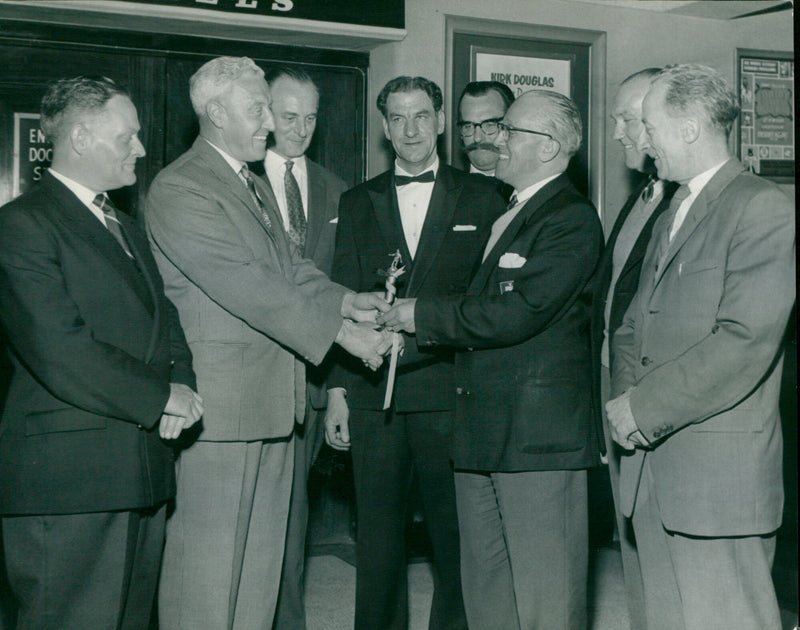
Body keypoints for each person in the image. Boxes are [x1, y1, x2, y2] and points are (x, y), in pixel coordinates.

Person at [145, 56, 391, 629]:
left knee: (259, 575)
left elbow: (291, 268)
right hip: (221, 410)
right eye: (258, 109)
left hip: (273, 403)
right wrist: (342, 335)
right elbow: (251, 286)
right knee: (205, 580)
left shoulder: (248, 181)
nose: (270, 124)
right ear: (214, 113)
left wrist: (346, 300)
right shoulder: (182, 185)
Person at [379, 89, 604, 630]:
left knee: (545, 598)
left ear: (548, 146)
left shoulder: (570, 219)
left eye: (510, 131)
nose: (494, 141)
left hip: (536, 442)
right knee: (487, 593)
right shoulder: (512, 210)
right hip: (481, 433)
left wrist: (418, 316)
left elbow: (517, 312)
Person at [0, 76, 203, 629]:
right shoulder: (21, 225)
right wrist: (162, 397)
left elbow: (167, 320)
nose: (140, 149)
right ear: (83, 138)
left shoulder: (126, 226)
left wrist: (181, 385)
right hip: (67, 483)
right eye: (127, 136)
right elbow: (60, 350)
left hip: (139, 468)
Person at [607, 63, 795, 630]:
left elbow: (743, 342)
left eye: (650, 125)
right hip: (653, 468)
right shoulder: (672, 208)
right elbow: (631, 327)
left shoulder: (761, 206)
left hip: (718, 480)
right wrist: (623, 409)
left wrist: (641, 409)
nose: (642, 141)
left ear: (688, 127)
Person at [325, 75, 505, 630]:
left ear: (441, 120)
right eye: (398, 118)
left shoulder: (485, 196)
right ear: (384, 127)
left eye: (421, 115)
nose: (410, 129)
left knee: (456, 537)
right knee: (376, 537)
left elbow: (488, 303)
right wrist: (336, 392)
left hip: (450, 390)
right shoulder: (358, 201)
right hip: (371, 388)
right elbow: (338, 292)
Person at [593, 67, 680, 630]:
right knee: (630, 539)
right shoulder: (642, 195)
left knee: (660, 541)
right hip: (610, 377)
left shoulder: (683, 201)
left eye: (629, 119)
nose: (620, 132)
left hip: (646, 388)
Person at [262, 65, 348, 630]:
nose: (300, 129)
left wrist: (338, 390)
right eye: (288, 116)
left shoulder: (338, 188)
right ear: (265, 114)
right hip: (259, 378)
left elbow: (340, 285)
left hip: (317, 382)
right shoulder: (236, 182)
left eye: (310, 117)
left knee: (295, 517)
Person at [456, 80, 514, 177]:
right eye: (468, 126)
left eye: (489, 125)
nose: (477, 138)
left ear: (510, 127)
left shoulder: (531, 188)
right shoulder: (443, 187)